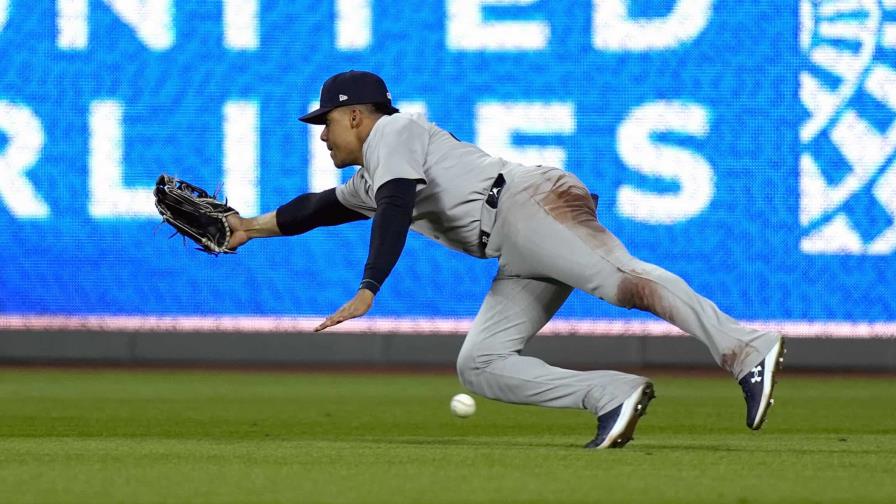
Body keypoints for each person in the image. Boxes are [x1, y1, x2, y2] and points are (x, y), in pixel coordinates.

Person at [224, 70, 785, 449]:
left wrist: (370, 287)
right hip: (514, 245)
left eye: (326, 122)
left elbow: (395, 206)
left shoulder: (392, 131)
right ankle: (612, 394)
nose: (321, 135)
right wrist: (246, 228)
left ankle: (745, 347)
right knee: (481, 364)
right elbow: (317, 209)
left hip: (526, 205)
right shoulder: (371, 175)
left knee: (623, 282)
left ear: (356, 116)